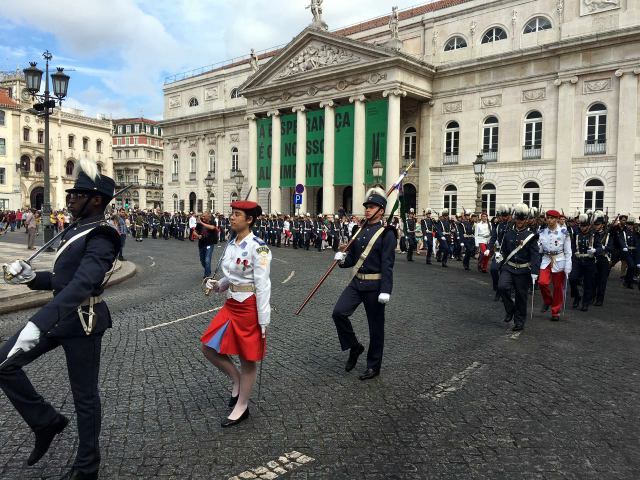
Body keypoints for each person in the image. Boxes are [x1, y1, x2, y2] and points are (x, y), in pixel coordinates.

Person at [0, 158, 120, 480]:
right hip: (61, 317)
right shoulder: (78, 228)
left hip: (83, 320)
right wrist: (30, 277)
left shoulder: (103, 236)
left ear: (96, 200)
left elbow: (82, 284)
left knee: (85, 398)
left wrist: (37, 322)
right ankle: (46, 422)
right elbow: (61, 278)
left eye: (78, 195)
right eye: (71, 195)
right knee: (4, 363)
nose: (71, 199)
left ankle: (87, 468)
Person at [200, 201, 271, 427]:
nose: (231, 217)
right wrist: (218, 285)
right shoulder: (231, 243)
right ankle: (237, 380)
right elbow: (231, 275)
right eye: (232, 213)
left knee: (247, 358)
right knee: (208, 347)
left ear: (249, 220)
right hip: (231, 304)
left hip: (249, 306)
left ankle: (242, 407)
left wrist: (263, 319)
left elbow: (263, 285)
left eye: (237, 214)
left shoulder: (259, 248)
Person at [332, 187, 396, 381]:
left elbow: (387, 264)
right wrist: (342, 259)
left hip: (375, 286)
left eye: (372, 207)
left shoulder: (387, 233)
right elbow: (353, 258)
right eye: (367, 206)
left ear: (381, 210)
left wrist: (386, 290)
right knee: (338, 313)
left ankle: (373, 365)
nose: (368, 210)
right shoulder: (359, 229)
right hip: (356, 282)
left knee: (376, 328)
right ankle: (355, 346)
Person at [497, 204, 541, 331]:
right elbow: (504, 250)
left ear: (526, 220)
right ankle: (510, 309)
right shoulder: (508, 233)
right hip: (509, 267)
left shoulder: (531, 236)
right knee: (502, 287)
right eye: (518, 219)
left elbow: (535, 255)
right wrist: (499, 256)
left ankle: (519, 321)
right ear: (515, 219)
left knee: (521, 297)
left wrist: (535, 271)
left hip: (523, 270)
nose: (520, 222)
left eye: (522, 219)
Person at [538, 209, 572, 321]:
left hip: (559, 260)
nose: (549, 220)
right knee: (542, 282)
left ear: (557, 219)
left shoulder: (564, 233)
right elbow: (540, 249)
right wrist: (538, 246)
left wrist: (568, 265)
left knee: (558, 287)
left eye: (552, 218)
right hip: (546, 259)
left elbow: (568, 251)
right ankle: (548, 301)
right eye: (548, 218)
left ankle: (555, 311)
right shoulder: (542, 232)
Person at [569, 213, 601, 311]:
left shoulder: (594, 234)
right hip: (577, 260)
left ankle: (585, 303)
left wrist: (595, 251)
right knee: (572, 279)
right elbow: (572, 246)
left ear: (588, 225)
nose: (582, 228)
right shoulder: (576, 233)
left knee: (588, 284)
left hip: (589, 261)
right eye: (581, 226)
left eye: (584, 226)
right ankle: (577, 296)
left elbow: (599, 247)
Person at [195, 212, 218, 278]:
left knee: (207, 259)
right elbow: (195, 231)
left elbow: (212, 227)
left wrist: (201, 222)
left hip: (209, 244)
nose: (203, 217)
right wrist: (197, 235)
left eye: (204, 216)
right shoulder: (199, 224)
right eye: (202, 216)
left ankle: (207, 275)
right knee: (202, 261)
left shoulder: (212, 222)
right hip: (201, 244)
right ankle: (208, 270)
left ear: (209, 216)